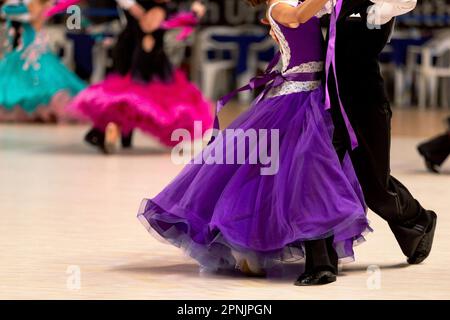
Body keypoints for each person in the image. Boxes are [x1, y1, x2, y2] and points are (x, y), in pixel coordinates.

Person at [137, 0, 371, 286]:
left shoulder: (295, 2)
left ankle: (299, 254)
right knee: (282, 176)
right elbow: (298, 16)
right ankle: (255, 247)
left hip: (313, 98)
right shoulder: (277, 7)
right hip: (294, 101)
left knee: (300, 176)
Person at [325, 0, 437, 265]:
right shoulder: (332, 3)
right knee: (325, 175)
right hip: (329, 103)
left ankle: (419, 220)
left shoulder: (382, 4)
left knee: (375, 187)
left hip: (367, 106)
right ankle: (321, 255)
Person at [68, 0, 212, 153]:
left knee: (128, 95)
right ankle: (115, 131)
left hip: (132, 46)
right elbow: (156, 24)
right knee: (142, 95)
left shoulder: (154, 10)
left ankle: (115, 132)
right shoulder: (156, 11)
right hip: (142, 49)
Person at [0, 0, 86, 122]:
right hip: (20, 50)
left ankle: (40, 109)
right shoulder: (21, 4)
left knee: (38, 77)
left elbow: (33, 17)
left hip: (31, 49)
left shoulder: (34, 4)